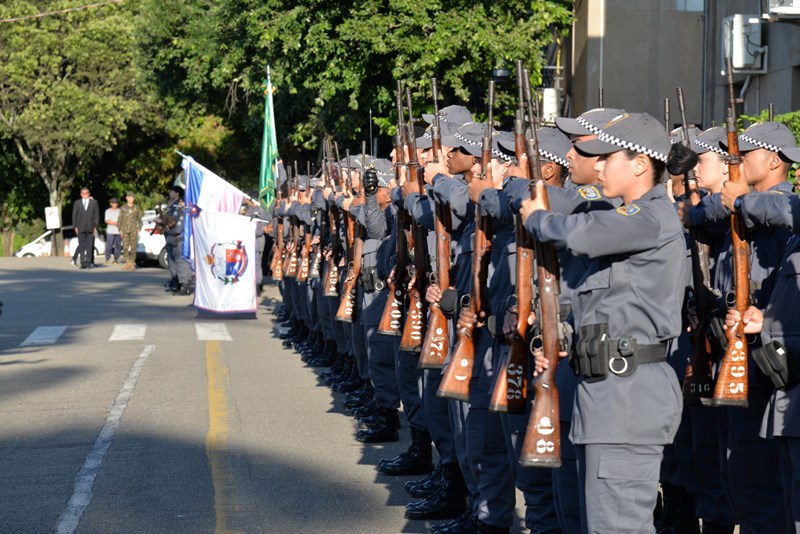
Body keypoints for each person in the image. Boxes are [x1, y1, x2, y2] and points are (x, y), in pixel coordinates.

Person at [521, 112, 693, 533]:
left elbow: (581, 232)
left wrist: (537, 218)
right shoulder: (629, 219)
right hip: (607, 394)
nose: (597, 165)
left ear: (639, 163)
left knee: (618, 526)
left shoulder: (649, 217)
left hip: (628, 398)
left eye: (608, 157)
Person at [72, 187, 99, 269]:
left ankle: (88, 262)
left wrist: (95, 226)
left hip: (91, 227)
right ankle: (82, 263)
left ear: (89, 193)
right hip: (80, 227)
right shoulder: (77, 203)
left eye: (86, 193)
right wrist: (75, 226)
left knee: (89, 246)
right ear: (81, 194)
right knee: (81, 245)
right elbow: (74, 215)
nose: (85, 195)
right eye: (83, 193)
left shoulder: (94, 202)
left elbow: (97, 215)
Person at [118, 191, 142, 270]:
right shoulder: (123, 208)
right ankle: (127, 263)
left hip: (134, 230)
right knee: (125, 247)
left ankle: (132, 263)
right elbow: (120, 219)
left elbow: (139, 219)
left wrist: (139, 228)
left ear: (134, 198)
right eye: (129, 197)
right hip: (125, 230)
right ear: (126, 198)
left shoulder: (136, 208)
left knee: (133, 247)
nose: (130, 199)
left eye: (132, 197)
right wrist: (120, 229)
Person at [104, 198, 121, 264]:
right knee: (109, 245)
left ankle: (116, 259)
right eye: (113, 203)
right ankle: (107, 258)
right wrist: (114, 223)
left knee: (118, 245)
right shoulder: (107, 211)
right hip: (110, 231)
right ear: (111, 204)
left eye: (116, 203)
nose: (114, 204)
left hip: (118, 231)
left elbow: (121, 220)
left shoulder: (120, 211)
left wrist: (118, 223)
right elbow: (106, 220)